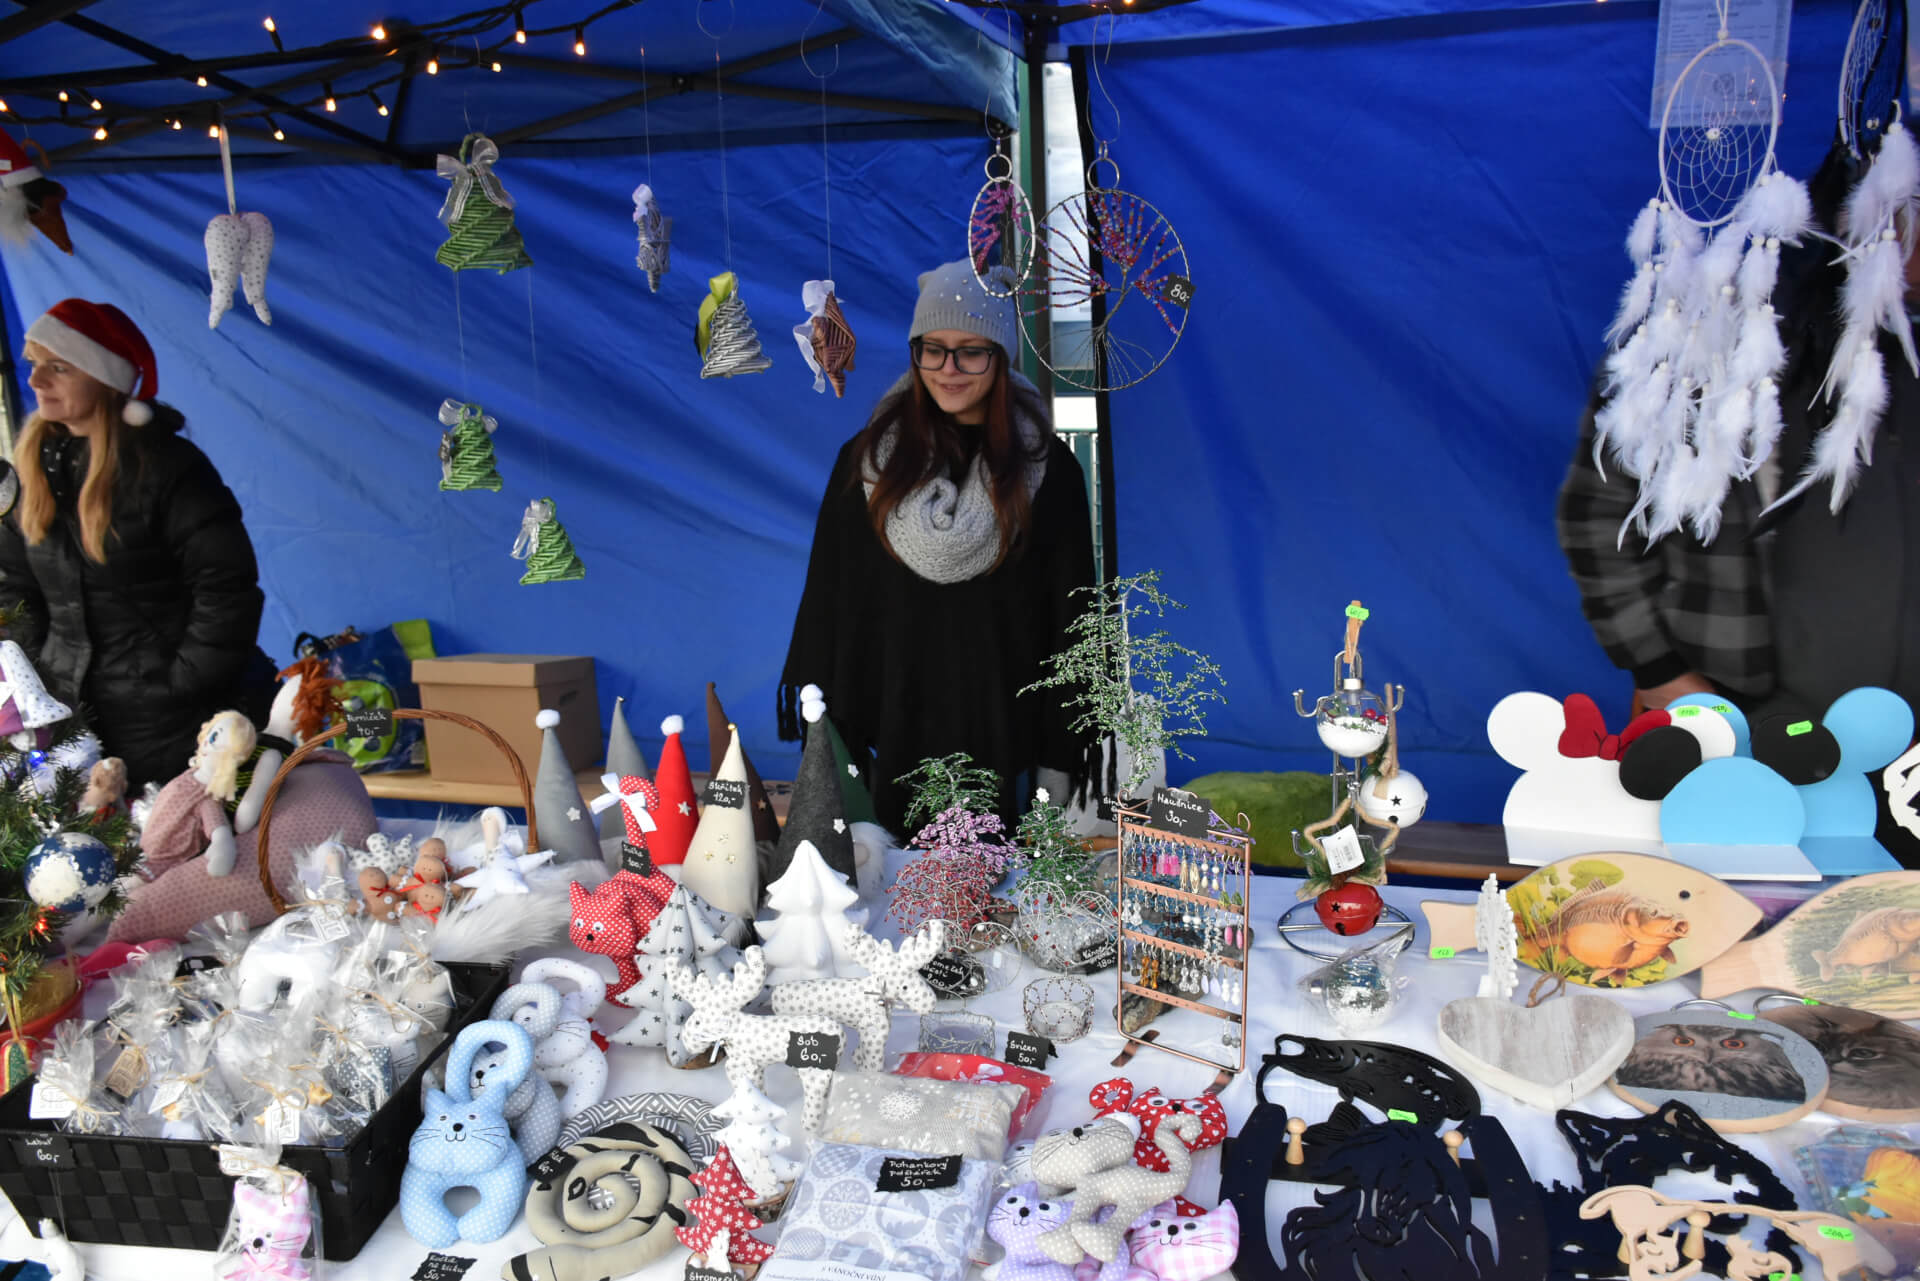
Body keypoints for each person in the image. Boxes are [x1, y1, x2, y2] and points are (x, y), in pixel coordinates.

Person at [1556, 147, 1920, 859]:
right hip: (1742, 717)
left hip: (1903, 746)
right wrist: (1661, 673)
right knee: (1733, 895)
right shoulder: (1709, 335)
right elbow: (1599, 516)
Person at [779, 260, 1100, 834]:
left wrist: (1060, 759)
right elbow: (830, 604)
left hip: (1008, 745)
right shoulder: (868, 463)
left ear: (1000, 357)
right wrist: (831, 745)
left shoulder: (1048, 470)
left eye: (970, 351)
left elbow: (1072, 625)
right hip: (891, 734)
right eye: (933, 349)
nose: (949, 369)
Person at [0, 298, 275, 790]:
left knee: (174, 836)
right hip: (69, 724)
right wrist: (39, 679)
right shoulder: (31, 470)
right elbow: (12, 586)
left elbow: (226, 590)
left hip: (176, 726)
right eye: (34, 364)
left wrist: (180, 683)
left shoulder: (169, 468)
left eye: (58, 367)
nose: (36, 381)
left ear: (104, 377)